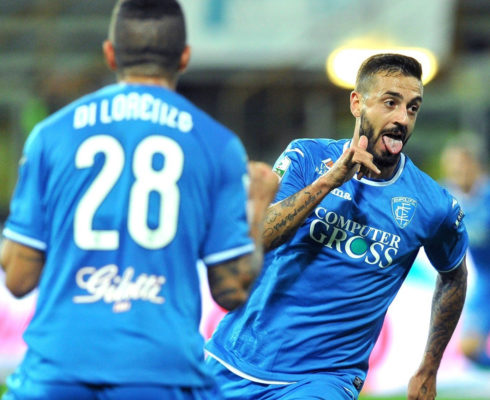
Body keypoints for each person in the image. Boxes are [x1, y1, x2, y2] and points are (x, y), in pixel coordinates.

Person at [0, 1, 278, 399]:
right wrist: (258, 204)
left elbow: (17, 279)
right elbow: (231, 290)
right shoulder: (217, 145)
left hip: (58, 370)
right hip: (161, 372)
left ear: (110, 54)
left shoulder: (51, 135)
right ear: (184, 58)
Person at [205, 53, 469, 400]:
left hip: (325, 378)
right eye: (390, 103)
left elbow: (454, 275)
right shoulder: (306, 158)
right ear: (357, 103)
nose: (402, 119)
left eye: (412, 108)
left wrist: (429, 368)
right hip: (234, 358)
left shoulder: (433, 204)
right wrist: (329, 182)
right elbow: (259, 237)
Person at [440, 136, 490, 368]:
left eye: (461, 164)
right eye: (452, 166)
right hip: (484, 281)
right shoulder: (445, 197)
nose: (457, 171)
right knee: (469, 349)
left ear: (474, 165)